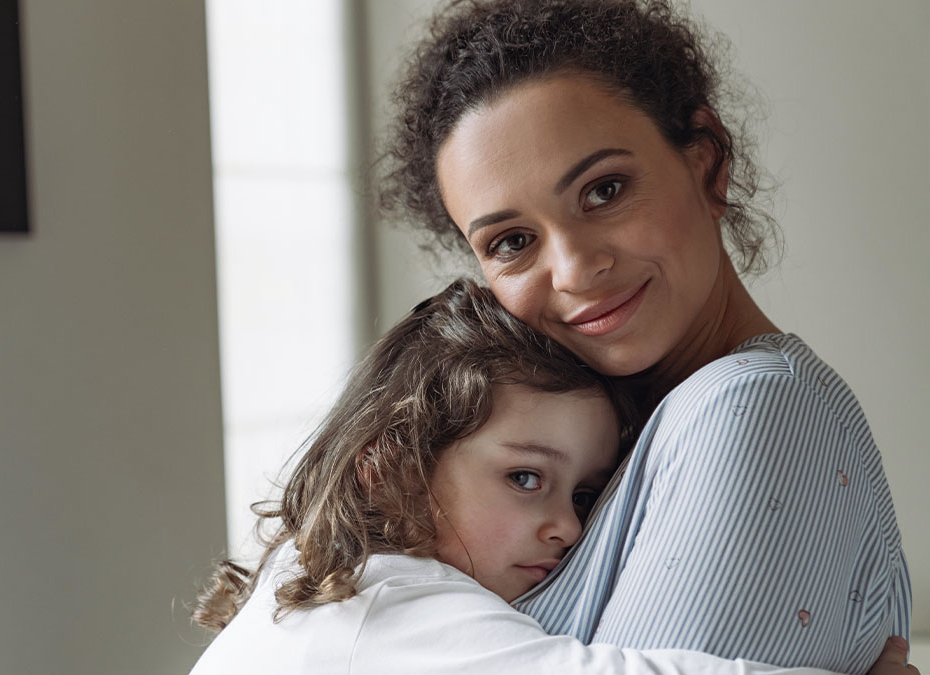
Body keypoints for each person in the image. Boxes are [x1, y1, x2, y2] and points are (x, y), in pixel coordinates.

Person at [378, 1, 911, 673]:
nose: (574, 270)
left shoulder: (750, 410)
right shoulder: (579, 449)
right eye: (512, 241)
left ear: (707, 165)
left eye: (604, 190)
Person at [187, 279, 896, 675]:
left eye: (585, 493)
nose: (570, 525)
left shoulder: (315, 583)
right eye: (526, 477)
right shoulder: (384, 600)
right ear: (392, 470)